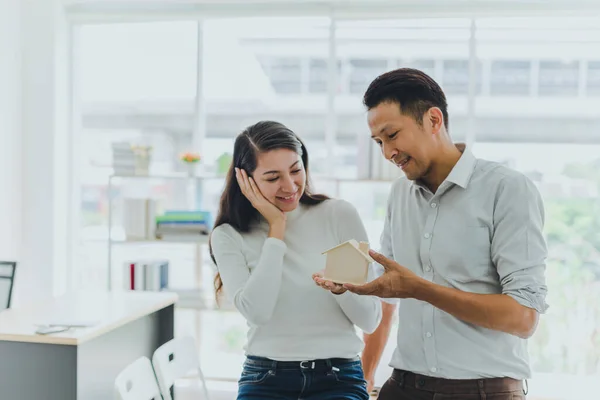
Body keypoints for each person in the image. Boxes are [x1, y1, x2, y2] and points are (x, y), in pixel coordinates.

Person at [344, 68, 549, 400]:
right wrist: (363, 382)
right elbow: (389, 298)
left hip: (483, 391)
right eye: (379, 141)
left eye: (392, 135)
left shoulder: (506, 190)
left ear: (434, 120)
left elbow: (523, 318)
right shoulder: (400, 195)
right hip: (403, 387)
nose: (387, 152)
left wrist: (422, 289)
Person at [209, 120, 382, 400]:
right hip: (265, 378)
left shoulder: (338, 216)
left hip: (338, 377)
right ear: (246, 180)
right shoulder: (229, 235)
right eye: (273, 177)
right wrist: (277, 227)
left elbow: (371, 320)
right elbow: (257, 312)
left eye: (295, 170)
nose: (290, 186)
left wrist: (342, 291)